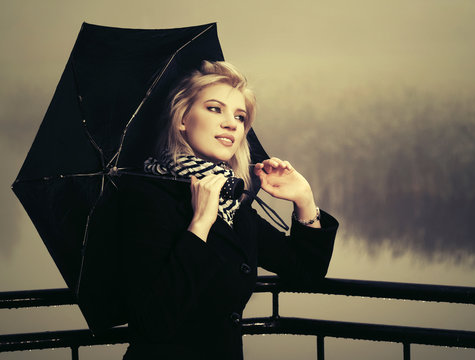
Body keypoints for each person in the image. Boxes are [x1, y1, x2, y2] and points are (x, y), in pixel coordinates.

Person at [120, 61, 339, 360]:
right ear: (182, 118)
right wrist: (199, 226)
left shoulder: (233, 202)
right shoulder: (147, 197)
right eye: (214, 109)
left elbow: (307, 272)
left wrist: (304, 199)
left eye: (240, 116)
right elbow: (152, 323)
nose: (231, 124)